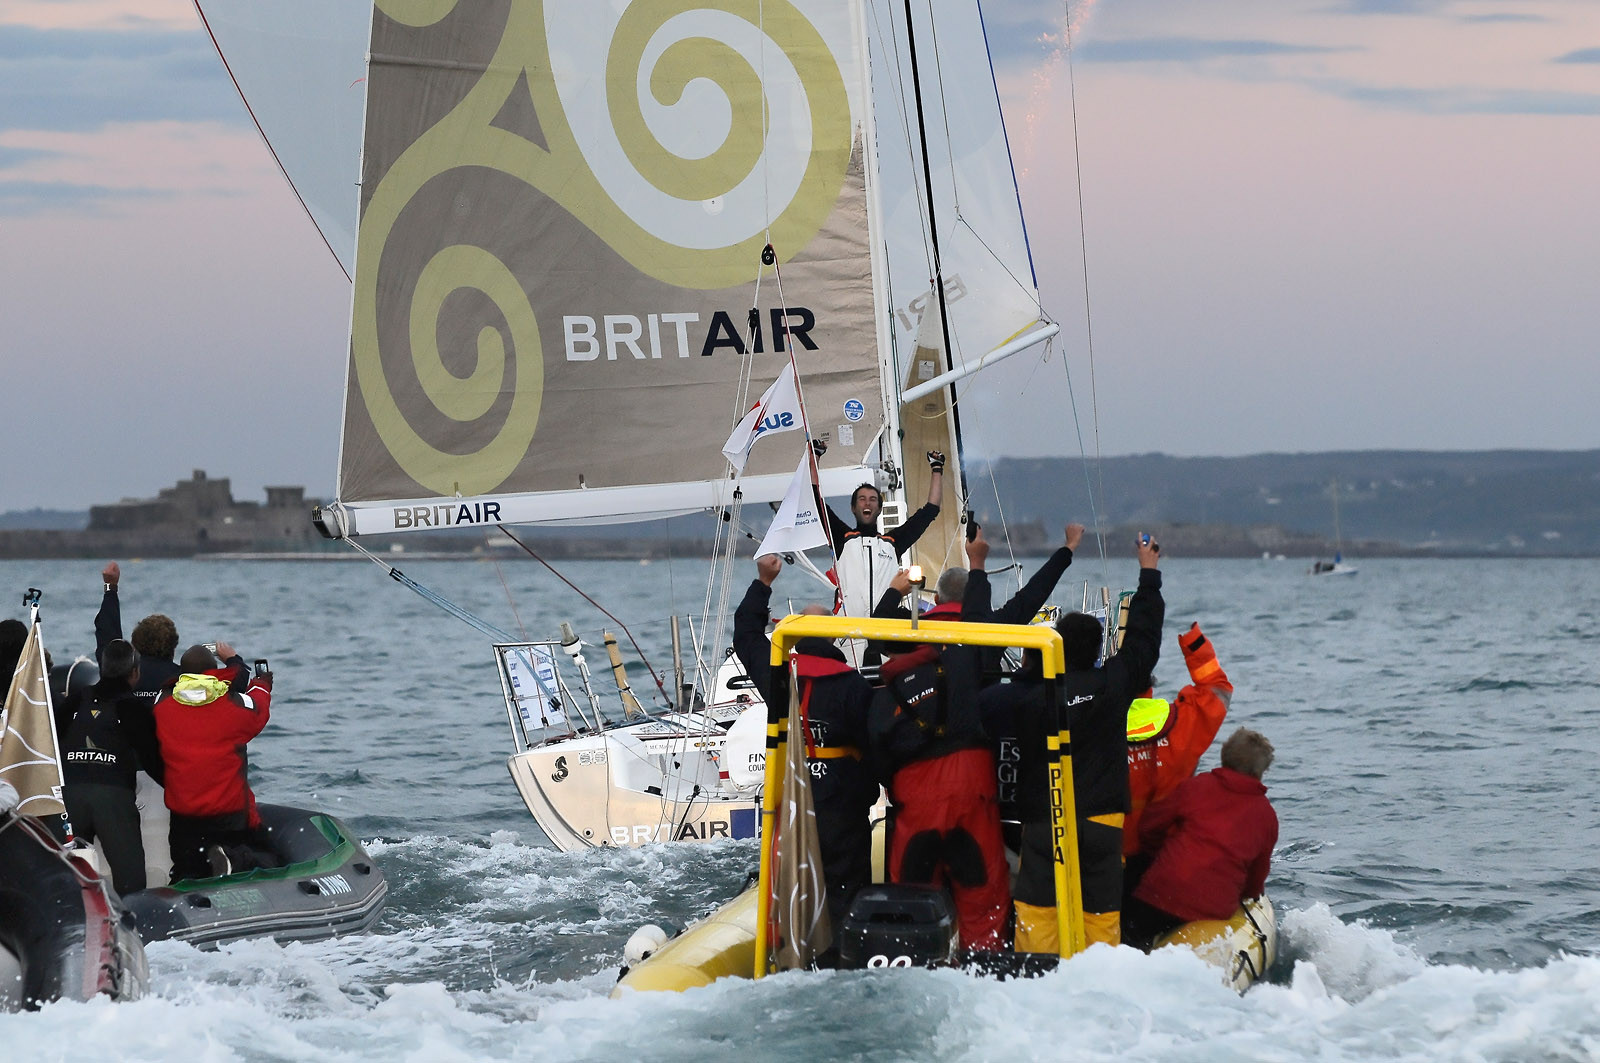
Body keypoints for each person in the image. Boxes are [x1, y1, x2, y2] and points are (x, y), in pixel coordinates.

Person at [1011, 534, 1164, 953]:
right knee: (1101, 915)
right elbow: (1143, 642)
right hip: (1101, 823)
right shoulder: (1112, 684)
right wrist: (1148, 574)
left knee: (1037, 914)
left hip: (1045, 822)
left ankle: (1034, 977)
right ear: (1098, 650)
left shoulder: (1029, 695)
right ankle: (1100, 977)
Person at [868, 570, 1011, 953]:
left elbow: (878, 761)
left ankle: (912, 962)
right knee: (983, 899)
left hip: (916, 807)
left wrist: (894, 591)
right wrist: (978, 568)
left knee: (911, 901)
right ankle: (985, 963)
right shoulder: (964, 665)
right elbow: (979, 623)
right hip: (972, 796)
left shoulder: (883, 699)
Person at [732, 554, 878, 926]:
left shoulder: (778, 674)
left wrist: (764, 582)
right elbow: (876, 749)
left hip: (792, 800)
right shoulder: (854, 686)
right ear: (833, 636)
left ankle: (793, 941)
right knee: (847, 890)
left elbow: (746, 634)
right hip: (842, 807)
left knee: (796, 884)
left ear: (795, 636)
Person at [1122, 728, 1279, 951]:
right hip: (1210, 910)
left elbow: (1150, 825)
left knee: (1130, 936)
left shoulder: (1196, 786)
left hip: (1159, 895)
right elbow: (1256, 878)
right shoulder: (1266, 816)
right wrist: (1247, 895)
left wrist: (1158, 854)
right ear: (1261, 770)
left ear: (1224, 755)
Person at [153, 642, 277, 879]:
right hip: (228, 814)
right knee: (268, 857)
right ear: (212, 672)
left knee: (186, 869)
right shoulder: (234, 706)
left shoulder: (162, 706)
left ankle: (187, 887)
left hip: (184, 814)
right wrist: (261, 682)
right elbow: (258, 707)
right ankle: (232, 858)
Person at [53, 639, 163, 896]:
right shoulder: (133, 708)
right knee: (131, 884)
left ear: (102, 669)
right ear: (134, 673)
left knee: (66, 877)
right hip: (113, 800)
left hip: (69, 796)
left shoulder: (75, 700)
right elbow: (152, 759)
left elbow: (52, 742)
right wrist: (178, 788)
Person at [1123, 623, 1231, 862]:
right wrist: (1195, 643)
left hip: (1110, 859)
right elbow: (1217, 689)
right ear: (1150, 683)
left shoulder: (1088, 728)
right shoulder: (1184, 723)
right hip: (1170, 856)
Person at [824, 450, 944, 618]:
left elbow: (931, 510)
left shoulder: (892, 542)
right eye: (862, 499)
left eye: (873, 499)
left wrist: (937, 467)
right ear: (853, 508)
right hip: (847, 631)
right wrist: (814, 456)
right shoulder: (843, 539)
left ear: (880, 509)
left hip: (885, 629)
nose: (867, 503)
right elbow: (817, 504)